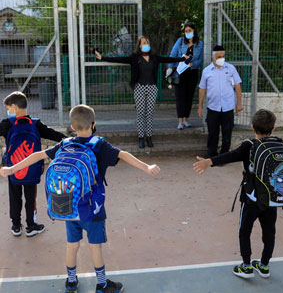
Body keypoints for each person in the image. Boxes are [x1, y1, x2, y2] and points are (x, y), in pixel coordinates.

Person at [0, 104, 160, 293]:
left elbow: (38, 155)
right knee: (95, 247)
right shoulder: (100, 145)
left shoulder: (65, 144)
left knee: (72, 245)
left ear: (73, 127)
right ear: (93, 124)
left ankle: (71, 282)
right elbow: (123, 155)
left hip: (68, 205)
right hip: (92, 209)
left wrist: (12, 168)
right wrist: (147, 167)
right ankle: (102, 285)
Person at [193, 109, 283, 279]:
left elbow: (230, 156)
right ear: (273, 129)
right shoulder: (281, 145)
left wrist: (209, 162)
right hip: (270, 200)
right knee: (269, 232)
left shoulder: (249, 146)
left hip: (251, 200)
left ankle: (246, 266)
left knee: (245, 231)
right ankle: (264, 266)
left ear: (252, 127)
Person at [94, 36, 189, 148]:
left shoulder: (154, 57)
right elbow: (120, 59)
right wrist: (103, 57)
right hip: (139, 88)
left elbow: (168, 59)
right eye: (144, 43)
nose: (146, 44)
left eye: (147, 42)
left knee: (149, 113)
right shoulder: (135, 57)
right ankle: (140, 138)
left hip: (152, 88)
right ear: (139, 45)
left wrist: (183, 59)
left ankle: (148, 137)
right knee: (140, 113)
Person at [1, 91, 66, 237]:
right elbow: (53, 134)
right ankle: (31, 226)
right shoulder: (36, 124)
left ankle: (16, 226)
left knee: (14, 195)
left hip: (13, 168)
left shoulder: (7, 124)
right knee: (31, 197)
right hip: (31, 168)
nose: (8, 111)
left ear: (14, 107)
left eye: (8, 108)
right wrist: (69, 141)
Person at [198, 45, 243, 157]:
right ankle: (212, 155)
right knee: (213, 133)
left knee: (227, 132)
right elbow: (202, 89)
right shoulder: (206, 71)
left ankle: (225, 155)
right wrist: (199, 106)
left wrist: (239, 103)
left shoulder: (231, 68)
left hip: (228, 106)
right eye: (219, 57)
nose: (221, 59)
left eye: (223, 56)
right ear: (213, 57)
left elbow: (237, 86)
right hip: (213, 107)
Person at [168, 22, 204, 130]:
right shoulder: (180, 42)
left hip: (192, 72)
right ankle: (180, 121)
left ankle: (186, 119)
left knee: (189, 96)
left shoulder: (200, 44)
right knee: (180, 97)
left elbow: (201, 59)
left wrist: (193, 64)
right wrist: (170, 68)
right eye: (186, 31)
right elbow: (173, 55)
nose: (188, 33)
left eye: (190, 31)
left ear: (194, 31)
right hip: (180, 72)